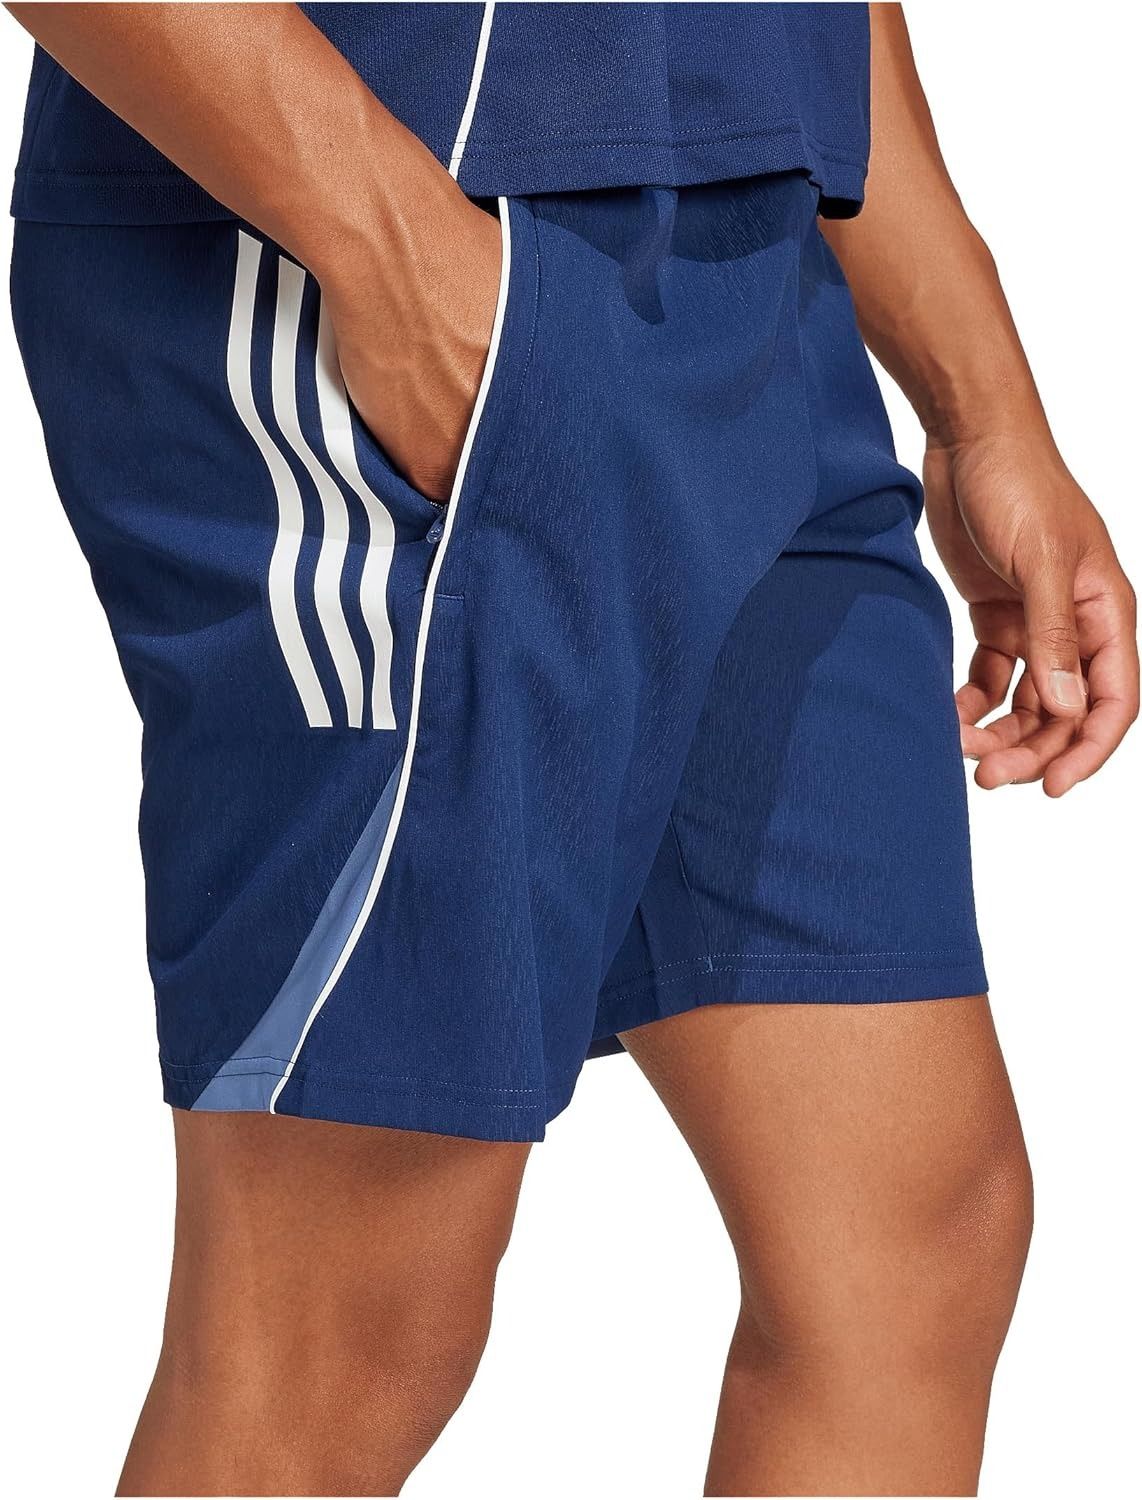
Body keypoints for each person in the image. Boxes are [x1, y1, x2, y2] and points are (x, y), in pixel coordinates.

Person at [6, 3, 1136, 1496]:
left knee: (908, 1238)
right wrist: (386, 244)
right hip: (390, 230)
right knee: (342, 1326)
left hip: (758, 251)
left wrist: (985, 406)